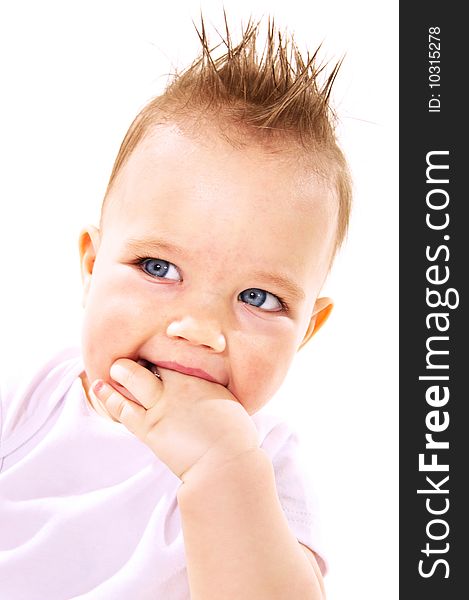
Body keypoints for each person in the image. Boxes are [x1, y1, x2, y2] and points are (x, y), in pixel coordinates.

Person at [0, 16, 351, 600]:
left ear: (307, 330)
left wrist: (222, 465)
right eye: (159, 269)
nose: (199, 329)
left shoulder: (262, 465)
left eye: (257, 298)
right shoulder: (29, 399)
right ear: (92, 267)